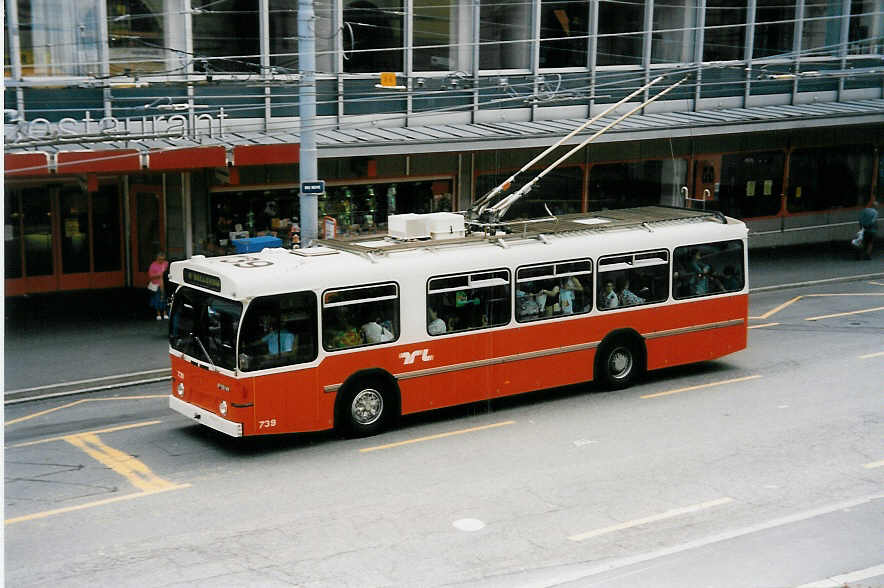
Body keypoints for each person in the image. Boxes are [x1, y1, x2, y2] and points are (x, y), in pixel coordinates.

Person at [147, 251, 169, 320]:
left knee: (165, 298)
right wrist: (159, 274)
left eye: (162, 259)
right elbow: (150, 275)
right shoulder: (153, 265)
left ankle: (165, 313)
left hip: (165, 285)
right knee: (157, 299)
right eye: (160, 259)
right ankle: (158, 314)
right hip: (156, 285)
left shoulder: (166, 264)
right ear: (157, 258)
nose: (161, 261)